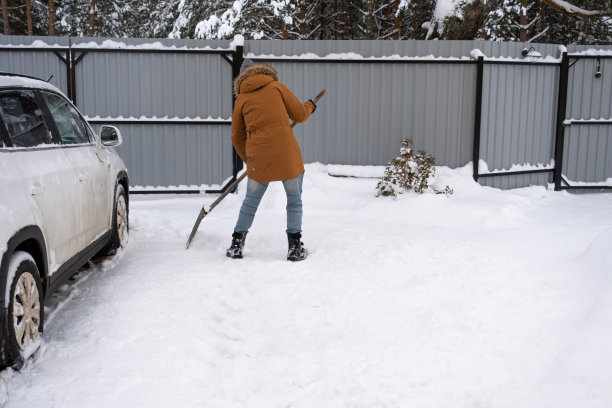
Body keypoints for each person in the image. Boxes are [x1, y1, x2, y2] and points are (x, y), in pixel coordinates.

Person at [226, 59, 316, 261]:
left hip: (259, 155)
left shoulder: (241, 98)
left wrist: (249, 160)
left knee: (250, 201)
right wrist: (310, 105)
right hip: (286, 153)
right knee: (294, 200)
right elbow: (300, 115)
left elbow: (236, 136)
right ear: (261, 71)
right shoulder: (276, 87)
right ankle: (294, 248)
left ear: (242, 77)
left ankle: (236, 245)